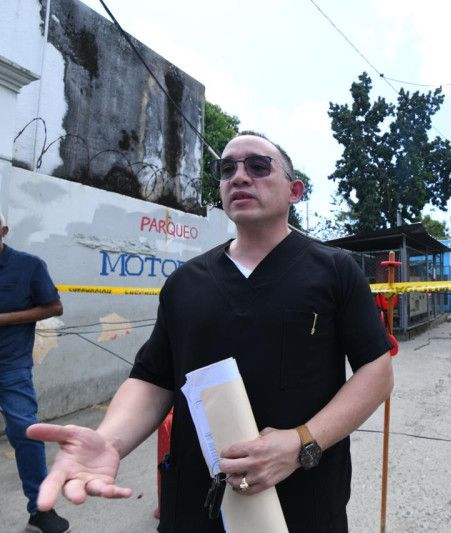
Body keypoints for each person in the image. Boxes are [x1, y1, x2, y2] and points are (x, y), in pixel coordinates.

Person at [27, 132, 394, 532]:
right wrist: (110, 441)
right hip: (196, 502)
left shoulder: (336, 271)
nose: (239, 176)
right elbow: (153, 378)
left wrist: (302, 442)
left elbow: (376, 373)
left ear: (294, 190)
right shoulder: (186, 282)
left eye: (257, 166)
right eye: (227, 169)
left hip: (304, 499)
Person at [0, 213, 70, 533]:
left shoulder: (29, 266)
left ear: (3, 231)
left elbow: (54, 307)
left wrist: (5, 319)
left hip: (11, 366)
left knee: (27, 432)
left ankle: (40, 511)